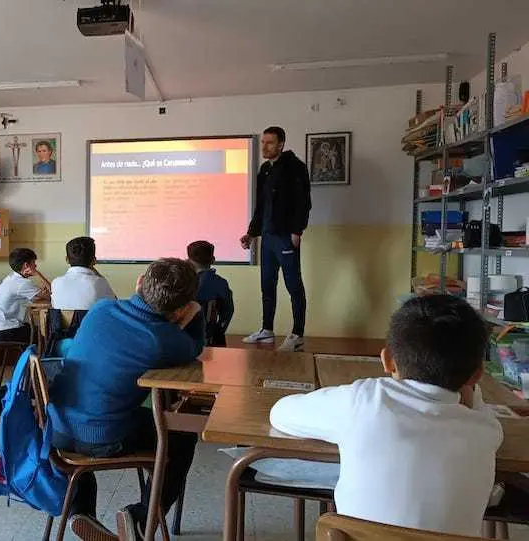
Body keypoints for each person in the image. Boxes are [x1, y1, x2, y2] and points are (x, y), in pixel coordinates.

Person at [269, 295, 502, 537]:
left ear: (388, 359)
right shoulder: (487, 429)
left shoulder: (365, 400)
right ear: (476, 376)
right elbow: (479, 407)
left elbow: (280, 413)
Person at [50, 258, 203, 541]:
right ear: (181, 308)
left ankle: (80, 513)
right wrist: (195, 312)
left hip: (56, 428)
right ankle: (141, 519)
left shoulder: (101, 310)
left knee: (96, 406)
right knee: (182, 435)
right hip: (100, 436)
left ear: (139, 282)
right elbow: (194, 347)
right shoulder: (162, 339)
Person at [240, 126, 311, 352]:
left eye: (269, 143)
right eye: (262, 142)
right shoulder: (265, 169)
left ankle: (297, 334)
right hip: (268, 238)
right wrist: (251, 233)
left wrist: (297, 231)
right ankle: (266, 329)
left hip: (286, 236)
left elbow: (303, 202)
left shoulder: (295, 167)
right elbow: (261, 206)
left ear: (281, 144)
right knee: (267, 285)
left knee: (293, 286)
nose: (264, 146)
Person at [0, 248, 49, 343]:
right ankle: (37, 357)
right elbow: (51, 294)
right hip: (8, 331)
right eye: (34, 263)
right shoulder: (22, 283)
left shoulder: (11, 277)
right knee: (46, 334)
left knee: (37, 330)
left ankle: (32, 356)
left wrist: (40, 294)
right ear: (26, 265)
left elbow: (35, 297)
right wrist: (38, 274)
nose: (36, 266)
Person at [187, 241, 233, 346]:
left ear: (188, 261)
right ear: (213, 260)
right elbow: (228, 311)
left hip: (186, 340)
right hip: (211, 340)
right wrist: (219, 330)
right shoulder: (220, 283)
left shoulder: (182, 282)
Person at [51, 236, 116, 311]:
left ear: (67, 259)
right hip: (91, 323)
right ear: (94, 260)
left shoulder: (56, 283)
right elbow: (114, 304)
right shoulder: (99, 282)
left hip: (62, 323)